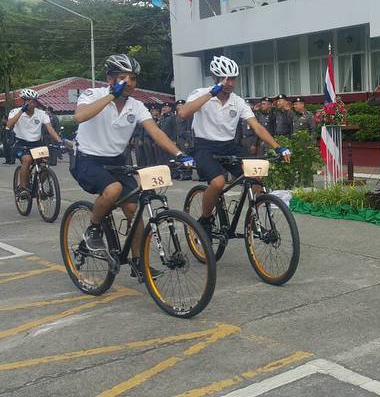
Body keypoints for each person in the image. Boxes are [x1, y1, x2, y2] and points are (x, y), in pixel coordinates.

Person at [69, 54, 193, 275]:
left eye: (133, 78)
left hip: (117, 161)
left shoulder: (136, 106)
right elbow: (80, 116)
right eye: (122, 78)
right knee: (113, 189)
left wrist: (180, 154)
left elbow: (155, 131)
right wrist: (110, 96)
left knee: (133, 210)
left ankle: (138, 262)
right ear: (110, 79)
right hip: (87, 159)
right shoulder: (92, 94)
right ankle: (93, 231)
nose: (129, 83)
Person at [178, 55, 290, 239]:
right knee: (218, 182)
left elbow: (257, 126)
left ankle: (254, 224)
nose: (230, 83)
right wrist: (211, 94)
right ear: (214, 78)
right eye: (225, 78)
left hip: (229, 146)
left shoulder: (238, 101)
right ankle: (205, 219)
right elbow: (183, 113)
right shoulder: (200, 93)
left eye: (233, 78)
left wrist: (278, 147)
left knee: (256, 175)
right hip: (204, 145)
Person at [7, 89, 62, 196]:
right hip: (21, 143)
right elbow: (9, 125)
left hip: (36, 143)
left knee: (46, 163)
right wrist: (22, 111)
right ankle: (23, 188)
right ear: (24, 101)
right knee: (27, 160)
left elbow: (50, 129)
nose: (32, 103)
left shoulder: (41, 113)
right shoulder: (15, 112)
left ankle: (38, 186)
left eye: (34, 101)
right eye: (29, 101)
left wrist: (59, 141)